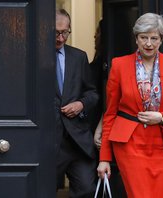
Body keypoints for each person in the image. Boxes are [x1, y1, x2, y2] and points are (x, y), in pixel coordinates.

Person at [97, 13, 163, 198]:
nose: (148, 43)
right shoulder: (119, 65)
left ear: (161, 39)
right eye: (143, 38)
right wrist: (104, 158)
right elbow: (110, 114)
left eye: (154, 38)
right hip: (130, 144)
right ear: (136, 39)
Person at [55, 9, 99, 197]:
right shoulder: (34, 57)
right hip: (49, 141)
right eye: (56, 32)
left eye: (65, 32)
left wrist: (81, 104)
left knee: (86, 189)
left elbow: (93, 92)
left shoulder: (78, 57)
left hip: (78, 141)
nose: (61, 38)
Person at [89, 20, 127, 198]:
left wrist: (101, 124)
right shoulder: (99, 61)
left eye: (98, 33)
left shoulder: (111, 64)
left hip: (111, 124)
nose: (95, 36)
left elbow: (111, 103)